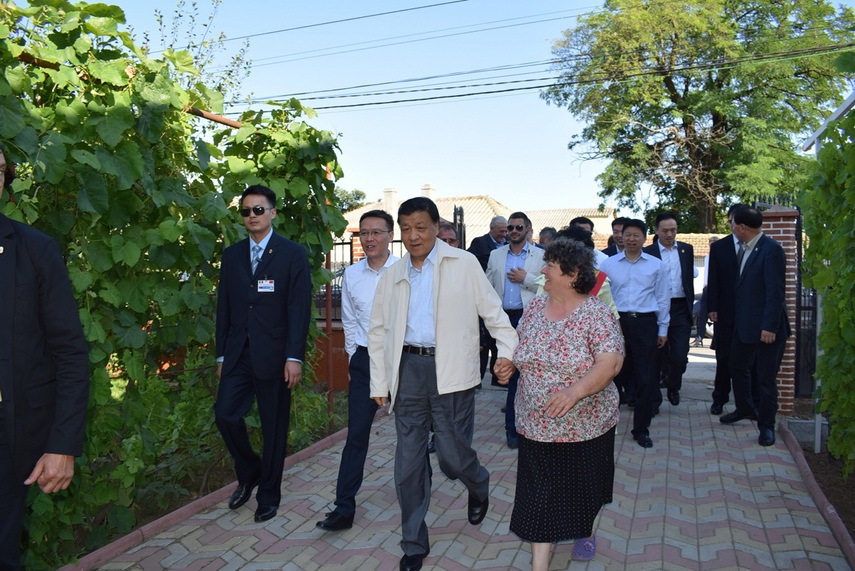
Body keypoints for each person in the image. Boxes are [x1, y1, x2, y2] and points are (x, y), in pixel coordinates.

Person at [369, 197, 517, 571]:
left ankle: (477, 482)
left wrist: (507, 352)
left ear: (436, 227)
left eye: (420, 227)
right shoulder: (394, 273)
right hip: (409, 370)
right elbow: (379, 331)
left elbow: (494, 313)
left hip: (452, 372)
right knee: (408, 462)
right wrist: (380, 381)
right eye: (405, 228)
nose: (412, 236)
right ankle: (414, 542)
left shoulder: (462, 263)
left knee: (452, 457)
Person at [0, 143, 90, 569]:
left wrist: (62, 444)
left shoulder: (33, 250)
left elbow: (70, 352)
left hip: (10, 436)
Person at [509, 238, 624, 570]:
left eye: (550, 265)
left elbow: (610, 364)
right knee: (539, 498)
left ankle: (583, 530)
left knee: (582, 493)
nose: (542, 270)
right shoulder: (533, 307)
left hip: (585, 426)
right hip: (535, 423)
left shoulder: (596, 314)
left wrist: (574, 392)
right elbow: (521, 348)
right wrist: (508, 363)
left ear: (573, 274)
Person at [214, 185, 311, 523]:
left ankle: (269, 495)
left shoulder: (292, 253)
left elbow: (299, 308)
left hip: (276, 356)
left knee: (273, 429)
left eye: (258, 210)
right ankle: (250, 470)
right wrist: (222, 356)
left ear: (272, 213)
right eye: (246, 211)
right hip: (238, 353)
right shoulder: (232, 255)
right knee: (225, 414)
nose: (251, 216)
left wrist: (294, 356)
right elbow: (223, 307)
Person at [317, 210, 399, 532]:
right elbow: (348, 321)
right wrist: (353, 360)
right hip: (365, 362)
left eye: (376, 232)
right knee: (356, 437)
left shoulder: (407, 271)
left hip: (402, 361)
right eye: (364, 233)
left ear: (390, 235)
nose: (369, 239)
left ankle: (418, 496)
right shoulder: (351, 275)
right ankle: (343, 508)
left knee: (412, 435)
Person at [719, 206, 790, 446]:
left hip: (766, 330)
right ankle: (745, 408)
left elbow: (775, 292)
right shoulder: (744, 249)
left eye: (731, 223)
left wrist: (769, 326)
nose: (730, 227)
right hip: (744, 327)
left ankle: (766, 427)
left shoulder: (771, 250)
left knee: (765, 380)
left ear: (741, 227)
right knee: (736, 367)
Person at [599, 219, 669, 448]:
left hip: (645, 325)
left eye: (636, 235)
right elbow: (599, 295)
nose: (630, 238)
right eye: (627, 234)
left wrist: (663, 328)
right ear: (620, 236)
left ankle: (641, 429)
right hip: (616, 324)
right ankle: (606, 426)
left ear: (645, 238)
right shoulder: (608, 264)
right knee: (612, 376)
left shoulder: (656, 265)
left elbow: (662, 298)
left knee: (646, 378)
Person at [486, 212, 546, 448]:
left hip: (529, 318)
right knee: (510, 373)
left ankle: (527, 427)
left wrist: (527, 278)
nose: (513, 231)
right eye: (510, 227)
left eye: (518, 227)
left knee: (525, 375)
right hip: (503, 319)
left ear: (528, 229)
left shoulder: (540, 255)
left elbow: (549, 286)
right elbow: (487, 287)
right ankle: (513, 431)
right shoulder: (496, 255)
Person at [643, 212, 695, 407]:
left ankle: (673, 385)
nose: (670, 234)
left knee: (680, 356)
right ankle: (654, 400)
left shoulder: (686, 250)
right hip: (655, 308)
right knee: (656, 356)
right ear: (656, 231)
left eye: (673, 230)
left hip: (680, 308)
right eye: (665, 230)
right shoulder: (647, 253)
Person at [706, 205, 746, 415]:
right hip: (725, 312)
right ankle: (719, 398)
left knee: (747, 359)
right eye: (731, 220)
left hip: (749, 312)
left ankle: (746, 402)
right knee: (724, 358)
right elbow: (713, 280)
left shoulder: (755, 245)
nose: (734, 224)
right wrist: (712, 307)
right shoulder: (720, 247)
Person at [467, 216, 507, 383]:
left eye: (506, 231)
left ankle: (497, 378)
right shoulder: (480, 243)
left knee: (498, 342)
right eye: (501, 231)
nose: (504, 234)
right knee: (483, 344)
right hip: (482, 294)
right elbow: (472, 265)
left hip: (499, 297)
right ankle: (478, 378)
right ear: (492, 229)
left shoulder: (506, 245)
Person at [693, 236, 719, 348]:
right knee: (702, 313)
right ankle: (699, 336)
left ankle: (717, 339)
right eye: (710, 243)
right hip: (707, 287)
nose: (711, 246)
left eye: (713, 243)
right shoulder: (707, 257)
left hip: (717, 288)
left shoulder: (720, 257)